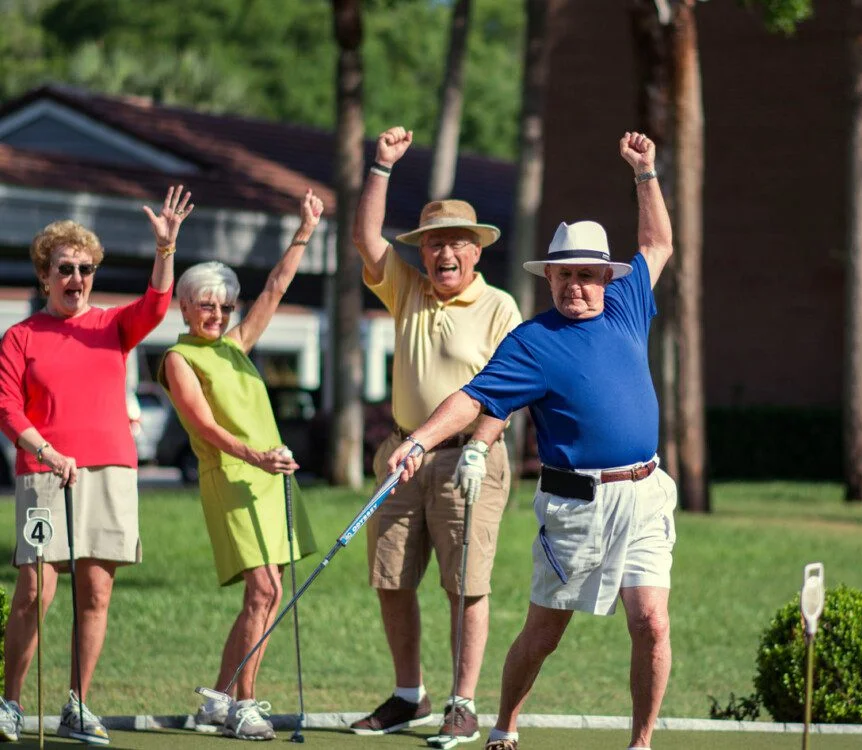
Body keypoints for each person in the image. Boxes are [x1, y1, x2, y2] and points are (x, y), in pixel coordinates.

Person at [387, 132, 678, 750]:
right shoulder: (532, 341)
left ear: (606, 276)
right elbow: (473, 397)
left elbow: (657, 244)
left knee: (651, 622)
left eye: (586, 275)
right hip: (577, 506)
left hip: (648, 493)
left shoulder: (627, 304)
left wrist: (646, 174)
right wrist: (419, 441)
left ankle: (641, 743)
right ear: (549, 279)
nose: (575, 285)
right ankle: (505, 723)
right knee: (544, 633)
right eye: (564, 275)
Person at [0, 185, 192, 744]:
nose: (76, 278)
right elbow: (8, 407)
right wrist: (46, 452)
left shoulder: (112, 325)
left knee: (97, 592)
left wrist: (165, 249)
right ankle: (9, 702)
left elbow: (157, 305)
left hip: (110, 471)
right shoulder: (21, 337)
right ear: (45, 276)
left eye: (85, 268)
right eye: (64, 268)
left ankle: (78, 705)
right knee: (36, 589)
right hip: (44, 472)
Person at [349, 126, 522, 743]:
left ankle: (462, 700)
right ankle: (408, 693)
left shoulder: (500, 307)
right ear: (422, 253)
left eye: (456, 244)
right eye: (433, 245)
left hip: (467, 458)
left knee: (465, 585)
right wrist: (381, 167)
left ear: (475, 251)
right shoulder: (409, 288)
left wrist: (478, 446)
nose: (444, 255)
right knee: (391, 578)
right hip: (401, 454)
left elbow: (506, 393)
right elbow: (366, 239)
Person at [156, 189, 323, 742]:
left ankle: (223, 698)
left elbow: (276, 286)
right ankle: (243, 701)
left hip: (269, 476)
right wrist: (258, 455)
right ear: (185, 306)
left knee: (269, 592)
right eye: (208, 304)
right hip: (231, 476)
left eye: (225, 306)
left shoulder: (236, 344)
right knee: (263, 590)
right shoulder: (179, 359)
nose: (219, 313)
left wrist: (303, 231)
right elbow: (203, 427)